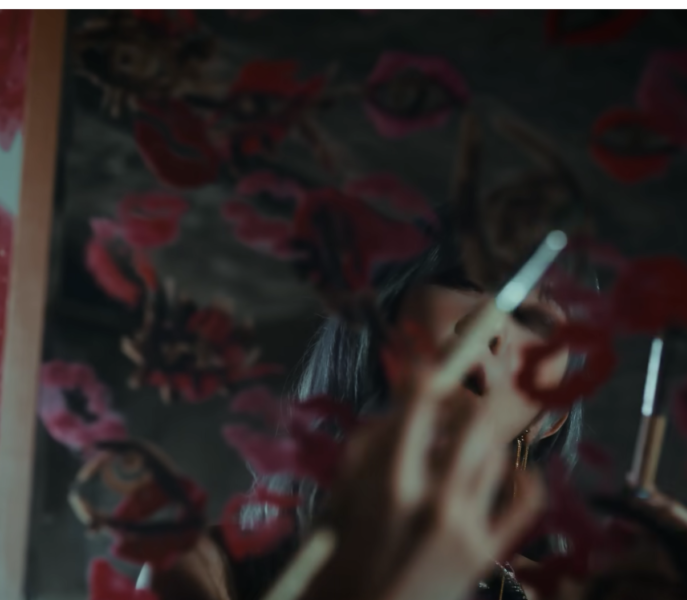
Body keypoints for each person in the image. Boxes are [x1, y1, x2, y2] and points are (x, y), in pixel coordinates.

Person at [151, 215, 589, 600]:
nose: (491, 328)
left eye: (533, 321)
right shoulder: (203, 568)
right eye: (464, 283)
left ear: (549, 418)